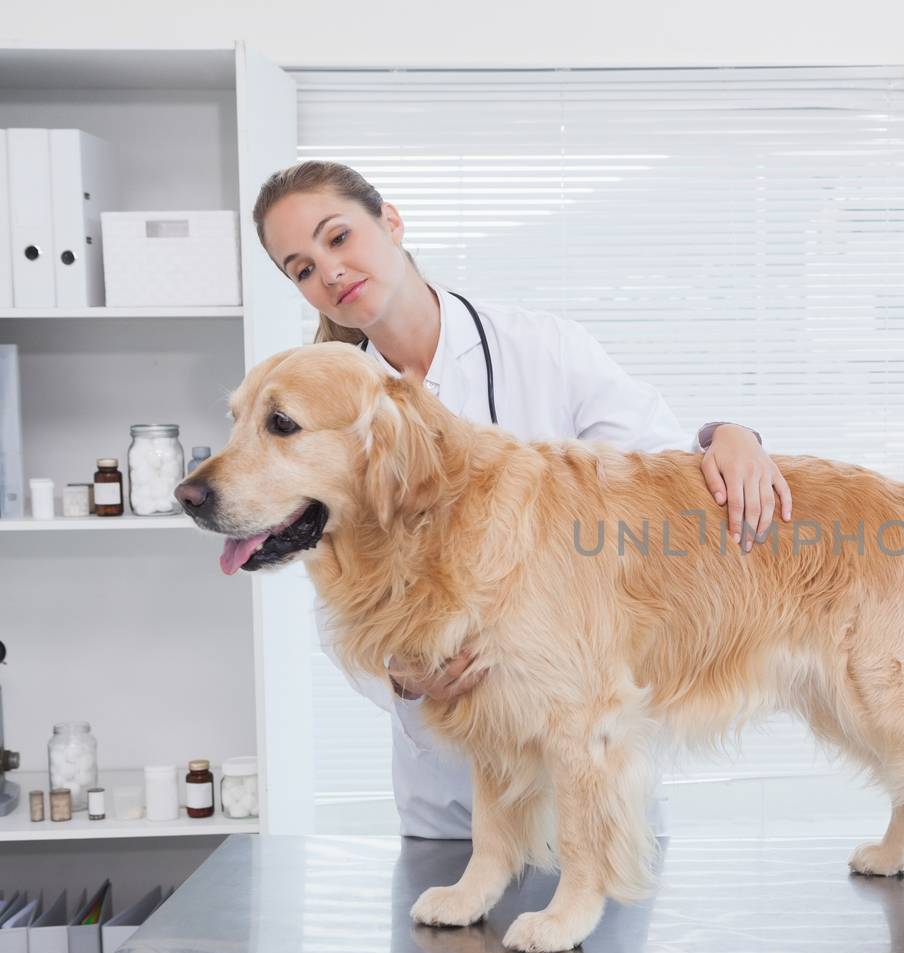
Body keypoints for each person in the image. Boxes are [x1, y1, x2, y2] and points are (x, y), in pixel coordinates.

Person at [252, 160, 792, 838]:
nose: (327, 272)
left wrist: (729, 435)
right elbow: (340, 595)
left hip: (587, 782)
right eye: (301, 268)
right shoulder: (317, 415)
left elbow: (660, 465)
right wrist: (401, 676)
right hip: (453, 808)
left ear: (390, 221)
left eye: (338, 238)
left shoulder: (543, 350)